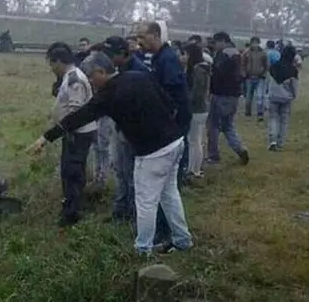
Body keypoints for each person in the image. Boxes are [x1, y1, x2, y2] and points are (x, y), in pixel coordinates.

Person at [27, 52, 194, 255]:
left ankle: (143, 249)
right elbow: (169, 102)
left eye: (90, 77)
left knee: (145, 201)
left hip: (153, 153)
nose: (89, 82)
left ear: (101, 71)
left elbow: (79, 117)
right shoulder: (138, 75)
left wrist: (46, 138)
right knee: (169, 194)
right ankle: (182, 240)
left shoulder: (108, 94)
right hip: (175, 142)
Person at [137, 21, 193, 242]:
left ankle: (161, 233)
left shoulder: (168, 60)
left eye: (142, 37)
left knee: (165, 188)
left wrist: (163, 124)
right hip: (170, 127)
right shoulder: (159, 58)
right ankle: (174, 234)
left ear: (155, 35)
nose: (140, 41)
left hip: (173, 128)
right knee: (168, 188)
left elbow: (172, 96)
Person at [46, 43, 97, 227]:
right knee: (69, 171)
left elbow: (76, 114)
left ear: (58, 61)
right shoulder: (69, 77)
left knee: (72, 172)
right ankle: (70, 205)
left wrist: (53, 132)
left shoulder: (74, 79)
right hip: (73, 132)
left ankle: (72, 213)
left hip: (78, 134)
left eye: (51, 64)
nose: (51, 69)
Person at [100, 36, 149, 222]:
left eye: (111, 54)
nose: (108, 59)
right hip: (121, 126)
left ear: (122, 53)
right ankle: (120, 210)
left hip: (133, 130)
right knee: (120, 170)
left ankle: (133, 214)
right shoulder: (120, 69)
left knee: (130, 173)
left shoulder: (139, 72)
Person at [207, 32, 249, 165]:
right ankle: (240, 149)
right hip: (234, 95)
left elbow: (217, 74)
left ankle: (213, 156)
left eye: (216, 42)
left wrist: (211, 88)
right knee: (228, 125)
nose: (215, 45)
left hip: (221, 94)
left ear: (223, 41)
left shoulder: (223, 55)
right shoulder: (237, 54)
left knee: (213, 126)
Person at [183, 43, 211, 177]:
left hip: (197, 109)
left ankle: (194, 169)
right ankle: (194, 167)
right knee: (196, 139)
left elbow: (197, 92)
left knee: (194, 140)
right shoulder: (202, 69)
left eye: (186, 54)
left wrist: (187, 101)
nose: (184, 57)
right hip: (201, 108)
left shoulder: (198, 70)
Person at [266, 45, 299, 151]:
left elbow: (268, 81)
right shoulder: (293, 70)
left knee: (273, 118)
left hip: (273, 96)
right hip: (286, 98)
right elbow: (294, 85)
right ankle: (280, 142)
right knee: (284, 120)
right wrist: (294, 95)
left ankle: (272, 141)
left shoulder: (274, 66)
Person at [242, 37, 269, 120]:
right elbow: (243, 64)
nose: (255, 44)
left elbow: (267, 65)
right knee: (248, 96)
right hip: (249, 77)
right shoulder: (247, 53)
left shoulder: (263, 53)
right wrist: (244, 73)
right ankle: (247, 112)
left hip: (260, 77)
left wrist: (264, 74)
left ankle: (260, 113)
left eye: (256, 43)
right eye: (253, 43)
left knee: (260, 96)